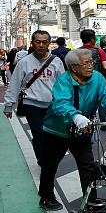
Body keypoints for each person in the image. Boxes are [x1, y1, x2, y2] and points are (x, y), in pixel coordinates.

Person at [37, 48, 106, 212]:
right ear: (73, 67)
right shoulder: (63, 81)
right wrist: (76, 117)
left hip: (83, 129)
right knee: (50, 165)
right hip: (57, 130)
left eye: (92, 62)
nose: (91, 66)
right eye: (86, 63)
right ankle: (46, 197)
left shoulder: (97, 78)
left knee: (87, 165)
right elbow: (61, 103)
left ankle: (91, 200)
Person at [4, 31, 65, 166]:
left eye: (44, 42)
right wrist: (8, 104)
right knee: (38, 134)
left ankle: (48, 157)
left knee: (52, 135)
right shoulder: (24, 62)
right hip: (32, 104)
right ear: (32, 43)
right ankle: (43, 161)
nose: (41, 45)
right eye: (38, 42)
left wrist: (67, 103)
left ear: (49, 44)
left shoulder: (56, 61)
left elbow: (63, 84)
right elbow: (15, 83)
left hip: (52, 105)